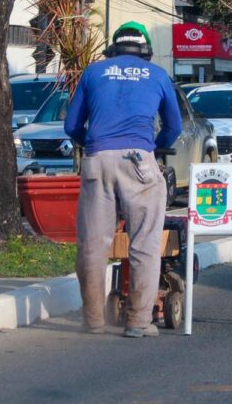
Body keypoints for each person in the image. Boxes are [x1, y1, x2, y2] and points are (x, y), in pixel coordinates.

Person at [64, 21, 182, 338]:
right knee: (144, 243)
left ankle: (93, 321)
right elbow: (174, 126)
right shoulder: (157, 75)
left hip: (97, 160)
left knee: (93, 244)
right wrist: (153, 149)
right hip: (138, 160)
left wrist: (92, 144)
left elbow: (71, 126)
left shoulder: (93, 72)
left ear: (114, 48)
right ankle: (138, 322)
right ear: (145, 50)